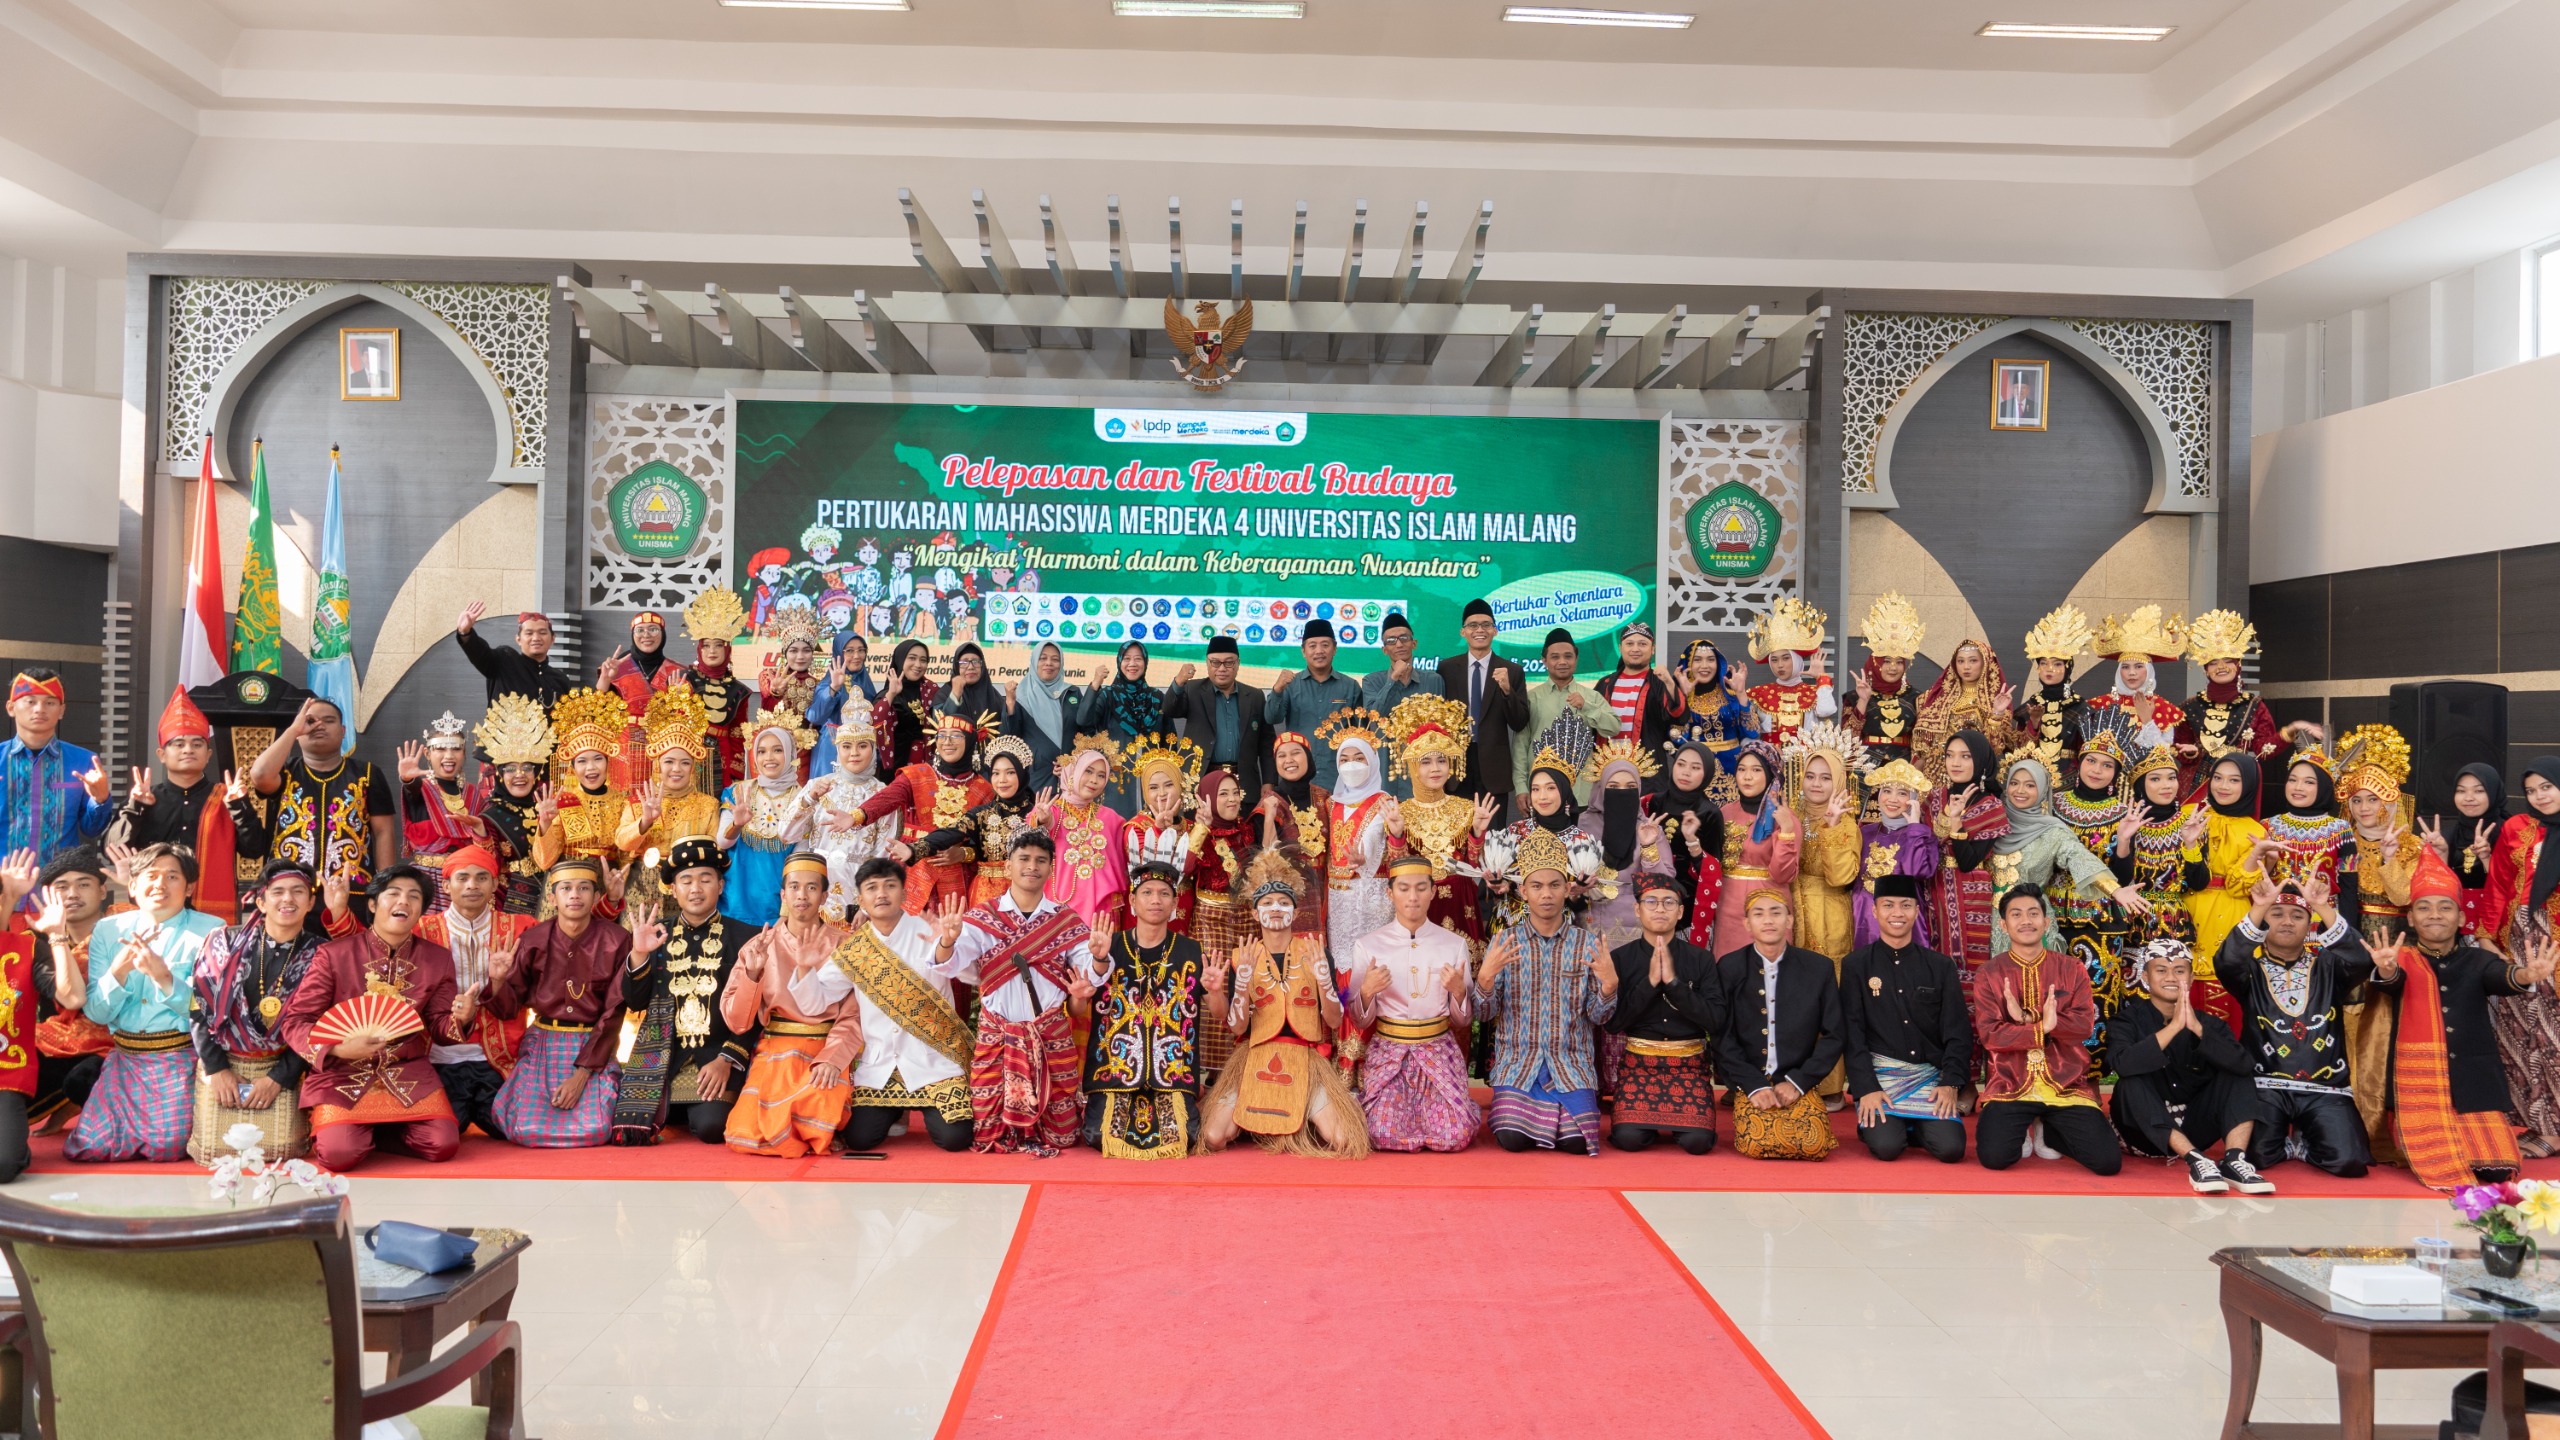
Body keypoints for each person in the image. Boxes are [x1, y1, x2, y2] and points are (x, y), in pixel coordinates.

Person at [2370, 849, 2551, 1188]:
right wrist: (2386, 970)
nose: (2434, 915)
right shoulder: (2399, 959)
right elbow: (2390, 983)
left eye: (2445, 907)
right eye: (2424, 907)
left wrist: (2526, 975)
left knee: (2498, 1171)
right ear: (2411, 919)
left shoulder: (2477, 960)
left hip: (2474, 1085)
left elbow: (2500, 976)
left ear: (2460, 917)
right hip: (2419, 1092)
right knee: (2442, 1168)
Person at [279, 865, 464, 1170]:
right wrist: (338, 1048)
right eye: (394, 894)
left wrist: (461, 1017)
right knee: (339, 1155)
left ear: (421, 910)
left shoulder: (438, 959)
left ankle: (374, 1133)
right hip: (341, 1073)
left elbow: (440, 1027)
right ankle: (358, 1133)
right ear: (373, 904)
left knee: (442, 1145)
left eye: (414, 896)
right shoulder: (334, 954)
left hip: (407, 1071)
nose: (403, 901)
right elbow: (297, 1020)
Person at [944, 830, 1110, 1156]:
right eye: (1024, 858)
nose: (1032, 866)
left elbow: (1090, 972)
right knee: (987, 1135)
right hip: (997, 1034)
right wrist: (947, 941)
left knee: (1063, 1137)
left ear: (1051, 869)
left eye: (1040, 860)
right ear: (1008, 866)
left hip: (1049, 1034)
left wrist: (1101, 957)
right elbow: (951, 964)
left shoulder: (1065, 921)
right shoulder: (982, 918)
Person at [62, 843, 225, 1162]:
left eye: (172, 876)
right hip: (125, 1059)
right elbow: (97, 1013)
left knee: (166, 1147)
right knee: (87, 1147)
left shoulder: (210, 930)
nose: (160, 884)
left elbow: (212, 1012)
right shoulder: (108, 930)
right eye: (151, 875)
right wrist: (118, 972)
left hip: (178, 1059)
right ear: (133, 885)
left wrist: (164, 978)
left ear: (189, 887)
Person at [1204, 851, 1369, 1157]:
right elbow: (1237, 1028)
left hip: (1305, 1058)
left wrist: (1324, 981)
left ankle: (1293, 1112)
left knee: (1343, 1139)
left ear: (1295, 911)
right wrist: (1241, 984)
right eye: (1267, 903)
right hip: (1255, 1056)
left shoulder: (1316, 953)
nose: (1276, 909)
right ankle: (1264, 1117)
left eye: (1283, 903)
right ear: (1255, 914)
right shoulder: (1242, 957)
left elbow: (1334, 1021)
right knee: (1214, 1137)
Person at [805, 859, 975, 1154]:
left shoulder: (930, 929)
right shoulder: (855, 949)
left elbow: (972, 976)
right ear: (861, 900)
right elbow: (816, 1002)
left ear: (905, 894)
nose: (881, 894)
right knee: (859, 1140)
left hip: (936, 1060)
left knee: (955, 1140)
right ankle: (895, 1110)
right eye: (872, 888)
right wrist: (804, 968)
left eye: (890, 886)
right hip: (883, 1066)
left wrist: (948, 943)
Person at [2214, 875, 2373, 1178]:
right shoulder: (2249, 971)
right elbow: (2226, 961)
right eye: (2277, 914)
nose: (2287, 921)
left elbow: (2360, 960)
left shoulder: (2329, 966)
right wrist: (2259, 907)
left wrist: (2322, 906)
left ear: (2309, 924)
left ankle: (2304, 1142)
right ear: (2265, 923)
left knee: (2349, 1161)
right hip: (2265, 1086)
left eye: (2298, 915)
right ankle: (2289, 1145)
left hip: (2325, 1087)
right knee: (2256, 1156)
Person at [1475, 827, 1618, 1155]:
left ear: (1567, 889)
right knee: (1512, 1138)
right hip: (1518, 1064)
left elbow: (1600, 1017)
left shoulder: (1587, 944)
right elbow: (1484, 1013)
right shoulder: (1504, 942)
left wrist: (1609, 987)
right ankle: (1531, 1119)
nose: (1546, 894)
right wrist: (1484, 980)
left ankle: (1552, 1121)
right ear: (1523, 891)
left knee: (1577, 1142)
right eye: (1537, 886)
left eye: (1554, 885)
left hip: (1570, 1064)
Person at [474, 857, 631, 1148]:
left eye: (584, 888)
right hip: (544, 1041)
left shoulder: (617, 940)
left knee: (596, 1129)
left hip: (593, 1042)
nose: (575, 895)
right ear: (552, 897)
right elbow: (508, 1008)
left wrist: (582, 1074)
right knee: (524, 1129)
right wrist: (497, 980)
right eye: (566, 888)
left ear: (596, 896)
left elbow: (614, 1010)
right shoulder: (533, 939)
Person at [614, 838, 757, 1146]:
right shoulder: (655, 934)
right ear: (673, 889)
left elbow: (755, 1010)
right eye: (686, 881)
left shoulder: (747, 937)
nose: (696, 889)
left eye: (705, 879)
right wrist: (639, 954)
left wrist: (727, 1058)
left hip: (717, 1057)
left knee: (711, 1128)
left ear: (720, 886)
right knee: (630, 1125)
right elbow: (635, 1000)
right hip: (663, 1059)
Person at [717, 851, 860, 1158]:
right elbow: (737, 1022)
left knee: (817, 1113)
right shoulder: (759, 945)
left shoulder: (845, 944)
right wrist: (752, 975)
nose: (802, 895)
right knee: (743, 1134)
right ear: (783, 894)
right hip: (775, 1051)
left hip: (826, 1047)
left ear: (824, 896)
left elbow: (854, 1014)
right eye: (794, 887)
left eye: (812, 887)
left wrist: (833, 1059)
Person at [1972, 886, 2121, 1175]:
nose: (2026, 921)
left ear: (2046, 921)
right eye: (2016, 915)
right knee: (1995, 1157)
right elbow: (1991, 1035)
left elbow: (2083, 1026)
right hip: (2010, 1085)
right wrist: (2043, 1028)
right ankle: (2024, 1126)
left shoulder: (2071, 968)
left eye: (2033, 914)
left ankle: (2048, 1129)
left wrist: (2028, 1017)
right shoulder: (1989, 973)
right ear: (2003, 924)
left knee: (2107, 1162)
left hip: (2066, 1084)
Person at [2105, 938, 2270, 1193]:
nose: (2171, 977)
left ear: (2191, 979)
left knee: (2237, 1072)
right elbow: (2123, 1065)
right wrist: (2173, 1028)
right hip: (2142, 1134)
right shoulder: (2126, 1021)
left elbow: (2243, 1064)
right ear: (2146, 978)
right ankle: (2196, 1161)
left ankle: (2234, 1160)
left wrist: (2197, 1030)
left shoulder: (2209, 1024)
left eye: (2179, 970)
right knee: (2131, 1081)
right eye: (2161, 970)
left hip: (2195, 1128)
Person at [187, 859, 323, 1164]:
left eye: (298, 891)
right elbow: (198, 1007)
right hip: (223, 1063)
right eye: (277, 892)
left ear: (310, 902)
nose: (288, 899)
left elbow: (318, 1026)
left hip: (286, 1065)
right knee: (212, 1151)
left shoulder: (323, 953)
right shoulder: (224, 941)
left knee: (284, 1151)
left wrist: (280, 1077)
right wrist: (216, 1069)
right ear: (261, 902)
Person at [1343, 853, 1477, 1152]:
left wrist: (1459, 993)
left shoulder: (1454, 945)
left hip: (1438, 1051)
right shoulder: (1368, 946)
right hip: (1390, 1053)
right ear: (1390, 893)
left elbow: (1463, 1020)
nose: (1413, 897)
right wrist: (1366, 992)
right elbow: (1360, 1020)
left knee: (1455, 1135)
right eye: (1404, 889)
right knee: (1379, 1133)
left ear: (1432, 891)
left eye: (1420, 888)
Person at [1076, 863, 1207, 1159]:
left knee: (1185, 1135)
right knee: (1098, 1135)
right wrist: (1096, 965)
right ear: (1132, 901)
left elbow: (1220, 1013)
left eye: (1164, 894)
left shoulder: (1192, 951)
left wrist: (1216, 989)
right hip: (1115, 1071)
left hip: (1171, 1073)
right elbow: (1077, 1006)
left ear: (1175, 903)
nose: (1155, 900)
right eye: (1147, 893)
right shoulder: (1108, 946)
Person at [109, 687, 268, 923]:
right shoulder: (145, 798)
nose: (188, 750)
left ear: (208, 754)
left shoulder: (227, 798)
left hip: (210, 915)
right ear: (162, 754)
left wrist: (239, 808)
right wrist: (135, 808)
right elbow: (114, 847)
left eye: (197, 744)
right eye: (179, 744)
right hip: (154, 906)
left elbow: (254, 850)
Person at [1841, 875, 1967, 1163]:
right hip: (1881, 1079)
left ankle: (1913, 1124)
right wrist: (1867, 1089)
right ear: (1875, 911)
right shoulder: (1856, 965)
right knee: (1887, 1147)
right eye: (1888, 905)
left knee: (1951, 1149)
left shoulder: (1940, 966)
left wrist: (1950, 1084)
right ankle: (1885, 1123)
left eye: (1906, 905)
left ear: (1916, 911)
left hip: (1929, 1080)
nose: (1897, 913)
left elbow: (1958, 1032)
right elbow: (1852, 1034)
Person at [413, 844, 531, 1141]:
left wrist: (499, 982)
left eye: (481, 877)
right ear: (446, 885)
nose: (472, 885)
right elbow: (370, 952)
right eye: (462, 878)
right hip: (438, 1057)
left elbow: (568, 934)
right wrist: (338, 915)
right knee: (440, 1135)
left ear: (495, 884)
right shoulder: (420, 931)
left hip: (498, 1060)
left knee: (516, 1130)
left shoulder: (521, 928)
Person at [1715, 886, 1842, 1160]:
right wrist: (1752, 1084)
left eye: (1776, 913)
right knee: (1756, 1144)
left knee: (1814, 1145)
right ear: (1747, 924)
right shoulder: (1730, 967)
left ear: (1790, 920)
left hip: (1796, 1080)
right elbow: (1722, 1035)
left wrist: (1799, 1081)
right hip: (1750, 1080)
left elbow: (1835, 1034)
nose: (1768, 920)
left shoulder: (1818, 968)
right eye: (1758, 914)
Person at [1605, 874, 1723, 1154]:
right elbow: (1613, 1023)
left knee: (1698, 1143)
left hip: (1689, 1066)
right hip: (1639, 1064)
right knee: (1628, 1139)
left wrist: (1674, 984)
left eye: (1669, 902)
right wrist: (1649, 984)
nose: (1660, 909)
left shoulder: (1701, 959)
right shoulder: (1620, 959)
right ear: (1638, 909)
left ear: (1680, 912)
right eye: (1651, 902)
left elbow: (1715, 1020)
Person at [1984, 755, 2155, 938]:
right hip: (1986, 922)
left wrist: (2114, 889)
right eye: (2014, 783)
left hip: (2030, 926)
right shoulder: (1990, 822)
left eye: (2030, 785)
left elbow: (2078, 857)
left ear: (2042, 790)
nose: (2020, 790)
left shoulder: (2052, 831)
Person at [248, 697, 396, 898]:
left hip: (351, 892)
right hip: (290, 894)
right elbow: (259, 775)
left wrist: (385, 889)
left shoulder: (368, 774)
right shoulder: (284, 772)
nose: (319, 726)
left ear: (343, 731)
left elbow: (383, 832)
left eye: (328, 720)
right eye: (310, 721)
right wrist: (293, 730)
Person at [2049, 722, 2139, 1051]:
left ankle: (2095, 1068)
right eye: (2091, 761)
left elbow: (2123, 878)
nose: (2097, 770)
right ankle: (2051, 1065)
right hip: (2053, 914)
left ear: (2116, 774)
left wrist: (2124, 841)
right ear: (2079, 762)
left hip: (2102, 918)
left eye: (2107, 765)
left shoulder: (2123, 812)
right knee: (2052, 993)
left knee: (2096, 995)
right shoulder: (2053, 804)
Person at [2487, 757, 2560, 1155]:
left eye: (2547, 786)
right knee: (2518, 1030)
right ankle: (2533, 1121)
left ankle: (2553, 1130)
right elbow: (2498, 883)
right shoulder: (2517, 827)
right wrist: (2487, 936)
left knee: (2552, 1034)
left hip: (2556, 938)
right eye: (2531, 790)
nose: (2539, 796)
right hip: (2519, 935)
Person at [1382, 695, 1495, 949]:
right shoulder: (1401, 812)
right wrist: (1397, 836)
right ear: (1413, 766)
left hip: (1461, 903)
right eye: (1426, 761)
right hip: (1420, 904)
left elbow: (1473, 867)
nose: (1436, 768)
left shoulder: (1466, 809)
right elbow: (1397, 870)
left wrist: (1477, 833)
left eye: (1442, 760)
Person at [857, 710, 995, 917]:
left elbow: (988, 845)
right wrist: (857, 815)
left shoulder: (985, 790)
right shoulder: (916, 774)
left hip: (957, 872)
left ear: (971, 741)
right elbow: (887, 798)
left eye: (956, 735)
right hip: (911, 866)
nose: (947, 742)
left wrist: (964, 854)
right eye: (942, 735)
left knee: (949, 932)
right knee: (901, 931)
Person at [613, 687, 722, 914]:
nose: (676, 769)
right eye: (669, 762)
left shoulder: (708, 805)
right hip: (641, 886)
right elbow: (622, 843)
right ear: (657, 765)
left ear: (693, 768)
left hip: (687, 887)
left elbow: (714, 852)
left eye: (685, 763)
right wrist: (645, 821)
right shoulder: (638, 803)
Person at [783, 715, 898, 924]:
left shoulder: (884, 795)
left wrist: (867, 906)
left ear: (873, 749)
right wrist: (809, 799)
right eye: (846, 746)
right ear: (837, 749)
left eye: (862, 746)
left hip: (857, 893)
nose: (854, 753)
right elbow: (786, 834)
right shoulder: (818, 786)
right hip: (815, 888)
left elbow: (884, 854)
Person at [2185, 754, 2270, 1028]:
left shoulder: (2255, 831)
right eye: (2218, 778)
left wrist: (2256, 853)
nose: (2223, 786)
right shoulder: (2189, 814)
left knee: (2225, 1000)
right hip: (2187, 910)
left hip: (2230, 913)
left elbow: (2237, 886)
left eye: (2234, 780)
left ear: (2249, 786)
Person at [29, 849, 112, 1129]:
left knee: (83, 1079)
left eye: (83, 884)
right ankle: (61, 1103)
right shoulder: (36, 941)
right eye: (62, 887)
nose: (72, 894)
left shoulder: (125, 926)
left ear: (103, 891)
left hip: (122, 1041)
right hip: (61, 1038)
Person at [1924, 729, 2009, 1001]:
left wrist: (1956, 823)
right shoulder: (1933, 798)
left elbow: (1967, 861)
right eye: (1950, 755)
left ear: (1980, 760)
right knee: (1930, 959)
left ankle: (1970, 1024)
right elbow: (1923, 844)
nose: (1955, 763)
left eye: (1965, 756)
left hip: (1971, 893)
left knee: (1970, 961)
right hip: (1931, 886)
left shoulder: (1991, 806)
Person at [909, 736, 1040, 910]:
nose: (1002, 780)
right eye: (996, 773)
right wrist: (913, 850)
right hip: (986, 896)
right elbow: (951, 832)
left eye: (1010, 773)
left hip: (1026, 892)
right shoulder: (981, 814)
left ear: (1022, 774)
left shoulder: (1037, 814)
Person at [2, 668, 111, 871]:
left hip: (59, 881)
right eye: (30, 701)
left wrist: (100, 799)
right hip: (4, 882)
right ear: (11, 707)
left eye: (50, 703)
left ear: (61, 710)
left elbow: (92, 829)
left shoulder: (84, 761)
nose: (39, 709)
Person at [1782, 719, 1864, 984]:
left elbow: (1841, 878)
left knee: (1826, 985)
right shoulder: (1791, 817)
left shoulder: (1847, 825)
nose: (1816, 784)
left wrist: (1831, 827)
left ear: (1839, 781)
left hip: (1829, 917)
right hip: (1792, 911)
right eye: (1810, 776)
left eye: (1826, 778)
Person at [717, 709, 813, 928]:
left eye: (778, 750)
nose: (768, 758)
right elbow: (722, 842)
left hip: (777, 908)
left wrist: (787, 911)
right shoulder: (737, 792)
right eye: (761, 751)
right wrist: (737, 825)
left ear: (791, 754)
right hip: (734, 903)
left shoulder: (803, 801)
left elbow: (799, 863)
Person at [1437, 599, 1530, 821]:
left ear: (1495, 631)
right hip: (1456, 768)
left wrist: (1507, 691)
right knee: (1457, 833)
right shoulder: (1447, 668)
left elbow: (1519, 722)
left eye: (1486, 625)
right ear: (1463, 632)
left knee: (1493, 835)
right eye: (1473, 625)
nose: (1480, 630)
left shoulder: (1512, 671)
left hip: (1494, 770)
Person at [1318, 711, 1396, 973]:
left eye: (1359, 758)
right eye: (1345, 759)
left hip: (1371, 892)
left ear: (1372, 761)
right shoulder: (1330, 803)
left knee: (1373, 959)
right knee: (1341, 959)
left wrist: (1363, 855)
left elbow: (1373, 834)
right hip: (1338, 896)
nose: (1351, 765)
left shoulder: (1384, 801)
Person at [1709, 741, 1800, 956]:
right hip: (1726, 906)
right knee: (1727, 966)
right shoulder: (1725, 813)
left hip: (1767, 908)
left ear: (1771, 774)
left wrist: (1786, 830)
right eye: (1742, 769)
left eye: (1756, 770)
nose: (1747, 777)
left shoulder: (1783, 817)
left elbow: (1783, 874)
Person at [533, 688, 633, 879]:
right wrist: (545, 823)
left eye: (598, 759)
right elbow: (545, 862)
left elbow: (626, 856)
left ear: (608, 761)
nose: (591, 768)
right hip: (570, 884)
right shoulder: (561, 802)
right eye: (582, 761)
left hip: (609, 882)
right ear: (572, 767)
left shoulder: (622, 802)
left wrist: (620, 882)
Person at [470, 694, 555, 918]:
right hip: (506, 904)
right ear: (499, 773)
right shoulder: (491, 816)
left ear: (537, 772)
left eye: (527, 767)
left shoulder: (548, 807)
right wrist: (480, 834)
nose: (520, 775)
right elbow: (487, 865)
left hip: (551, 901)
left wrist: (546, 824)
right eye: (510, 768)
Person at [2178, 610, 2284, 790]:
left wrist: (2288, 733)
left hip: (2236, 781)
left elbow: (2262, 749)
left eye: (2228, 660)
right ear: (2206, 669)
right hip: (2193, 786)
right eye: (2213, 662)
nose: (2221, 667)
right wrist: (2190, 753)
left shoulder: (2255, 706)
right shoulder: (2189, 707)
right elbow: (2177, 748)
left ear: (2238, 665)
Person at [395, 713, 488, 911]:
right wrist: (408, 779)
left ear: (464, 753)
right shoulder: (421, 788)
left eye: (456, 748)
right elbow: (411, 789)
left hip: (464, 880)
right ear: (427, 753)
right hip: (426, 880)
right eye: (441, 748)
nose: (449, 755)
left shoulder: (473, 794)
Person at [1163, 635, 1273, 798]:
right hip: (1200, 782)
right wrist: (1179, 682)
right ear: (1207, 663)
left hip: (1244, 784)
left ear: (1238, 664)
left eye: (1229, 662)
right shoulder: (1192, 689)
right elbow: (1169, 710)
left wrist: (1269, 782)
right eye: (1215, 662)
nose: (1222, 668)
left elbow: (1266, 743)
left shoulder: (1255, 696)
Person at [1035, 740, 1129, 926]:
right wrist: (1043, 821)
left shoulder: (1112, 819)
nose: (1094, 780)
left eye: (1101, 775)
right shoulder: (1051, 811)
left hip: (1102, 911)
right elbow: (1031, 839)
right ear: (1073, 772)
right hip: (1056, 906)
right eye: (1088, 771)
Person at [1518, 630, 1619, 802]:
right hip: (1542, 794)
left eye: (1568, 656)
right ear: (1544, 661)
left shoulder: (1591, 696)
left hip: (1582, 793)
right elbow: (1520, 746)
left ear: (1576, 659)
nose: (1562, 662)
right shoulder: (1531, 699)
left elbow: (1614, 727)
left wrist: (1586, 706)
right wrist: (1521, 788)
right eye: (1555, 657)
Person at [1119, 732, 1205, 928]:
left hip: (1184, 908)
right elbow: (1150, 868)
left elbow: (1194, 871)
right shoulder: (1136, 827)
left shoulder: (1191, 826)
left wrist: (1203, 827)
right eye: (1153, 788)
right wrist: (1158, 829)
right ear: (1145, 792)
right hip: (1147, 911)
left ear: (1180, 786)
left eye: (1168, 785)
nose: (1162, 793)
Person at [1266, 621, 1362, 793]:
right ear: (1303, 651)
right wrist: (1277, 690)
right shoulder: (1290, 685)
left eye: (1325, 645)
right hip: (1298, 778)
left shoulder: (1350, 686)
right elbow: (1272, 718)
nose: (1319, 651)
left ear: (1335, 649)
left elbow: (1360, 734)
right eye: (1312, 646)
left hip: (1339, 778)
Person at [1853, 760, 1939, 949]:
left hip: (1902, 924)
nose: (1892, 799)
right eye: (1887, 791)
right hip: (1863, 920)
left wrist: (1914, 828)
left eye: (1902, 793)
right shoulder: (1864, 833)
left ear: (1913, 799)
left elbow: (1916, 872)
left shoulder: (1923, 835)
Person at [2418, 763, 2506, 941]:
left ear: (2493, 792)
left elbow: (2513, 886)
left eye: (2479, 791)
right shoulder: (2448, 835)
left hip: (2498, 924)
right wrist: (2441, 855)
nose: (2469, 798)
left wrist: (2487, 859)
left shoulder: (2509, 832)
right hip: (2455, 926)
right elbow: (2438, 889)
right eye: (2461, 791)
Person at [2083, 607, 2187, 754]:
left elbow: (2164, 753)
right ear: (2119, 672)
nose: (2132, 673)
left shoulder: (2163, 707)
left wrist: (2147, 720)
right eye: (2125, 667)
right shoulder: (2099, 705)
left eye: (2138, 666)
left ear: (2149, 671)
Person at [1912, 639, 2015, 787]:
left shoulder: (1995, 702)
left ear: (1985, 663)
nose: (1966, 667)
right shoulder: (1933, 698)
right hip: (1931, 779)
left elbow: (1994, 749)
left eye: (1973, 661)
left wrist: (1997, 714)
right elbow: (1920, 749)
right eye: (1960, 661)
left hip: (1969, 778)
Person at [1078, 640, 1164, 813]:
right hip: (1116, 783)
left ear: (1145, 662)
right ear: (1119, 662)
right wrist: (1095, 683)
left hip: (1152, 782)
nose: (1132, 664)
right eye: (1127, 658)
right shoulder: (1108, 695)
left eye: (1138, 659)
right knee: (1115, 824)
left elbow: (1168, 741)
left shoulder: (1156, 697)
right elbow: (1083, 720)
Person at [1667, 639, 1755, 806]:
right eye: (1697, 660)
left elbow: (1752, 731)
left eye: (1710, 659)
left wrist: (1741, 693)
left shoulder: (1729, 693)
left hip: (1733, 768)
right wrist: (1683, 697)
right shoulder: (1680, 697)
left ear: (1718, 663)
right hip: (1696, 769)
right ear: (1688, 665)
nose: (1704, 666)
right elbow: (1677, 739)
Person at [683, 588, 753, 790]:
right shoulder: (685, 681)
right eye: (706, 645)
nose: (712, 651)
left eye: (718, 645)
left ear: (727, 648)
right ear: (699, 648)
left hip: (722, 759)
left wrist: (736, 775)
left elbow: (737, 735)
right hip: (688, 754)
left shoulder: (739, 691)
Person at [2011, 605, 2092, 779]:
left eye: (2057, 664)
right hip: (2033, 779)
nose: (2049, 669)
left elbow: (2089, 754)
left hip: (2071, 780)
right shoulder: (2029, 707)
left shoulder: (2081, 708)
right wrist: (2033, 722)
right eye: (2043, 663)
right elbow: (2019, 752)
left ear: (2068, 668)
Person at [1848, 592, 1924, 772]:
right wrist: (1863, 701)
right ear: (1875, 663)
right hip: (1865, 769)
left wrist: (1915, 772)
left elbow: (1922, 742)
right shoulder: (1853, 697)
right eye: (1887, 661)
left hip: (1904, 770)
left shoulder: (1917, 698)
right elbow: (1848, 737)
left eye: (1899, 662)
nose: (1893, 668)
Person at [1744, 599, 1837, 746]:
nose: (1780, 665)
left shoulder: (1813, 692)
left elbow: (1827, 710)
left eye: (1786, 658)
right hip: (1770, 757)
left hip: (1805, 757)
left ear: (1797, 660)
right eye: (1774, 660)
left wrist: (1821, 678)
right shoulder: (1759, 694)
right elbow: (1747, 730)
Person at [596, 609, 697, 741]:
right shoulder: (616, 668)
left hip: (665, 745)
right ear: (633, 635)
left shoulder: (678, 671)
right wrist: (605, 679)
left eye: (653, 629)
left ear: (663, 633)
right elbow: (598, 709)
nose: (646, 635)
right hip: (624, 745)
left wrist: (678, 700)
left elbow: (690, 718)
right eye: (640, 630)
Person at [454, 601, 570, 712]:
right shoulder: (504, 661)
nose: (536, 638)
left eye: (542, 633)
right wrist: (465, 633)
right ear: (518, 639)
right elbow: (481, 654)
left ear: (553, 639)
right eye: (529, 633)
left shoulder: (560, 679)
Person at [1360, 612, 1444, 750]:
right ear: (1384, 650)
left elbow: (1440, 724)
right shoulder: (1372, 681)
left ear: (1414, 644)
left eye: (1404, 638)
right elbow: (1374, 718)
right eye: (1391, 640)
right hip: (1386, 757)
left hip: (1424, 756)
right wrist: (1393, 678)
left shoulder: (1433, 680)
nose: (1399, 644)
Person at [1001, 641, 1081, 785]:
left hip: (1071, 777)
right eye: (1042, 658)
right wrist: (1010, 702)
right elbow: (1009, 739)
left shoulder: (1072, 692)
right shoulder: (1020, 696)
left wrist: (1074, 762)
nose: (1049, 663)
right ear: (1033, 662)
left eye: (1055, 659)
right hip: (1035, 778)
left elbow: (1085, 732)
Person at [1598, 622, 1682, 758]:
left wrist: (1670, 683)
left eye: (1642, 644)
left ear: (1653, 649)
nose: (1635, 649)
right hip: (1607, 766)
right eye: (1629, 644)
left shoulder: (1660, 683)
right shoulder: (1604, 684)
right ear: (1620, 648)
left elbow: (1678, 718)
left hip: (1648, 768)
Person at [759, 616, 827, 771]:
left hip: (809, 750)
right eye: (793, 650)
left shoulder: (820, 684)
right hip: (777, 748)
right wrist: (776, 693)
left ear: (813, 653)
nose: (800, 656)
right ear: (784, 652)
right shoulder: (769, 676)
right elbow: (766, 713)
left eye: (806, 650)